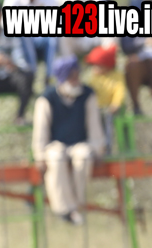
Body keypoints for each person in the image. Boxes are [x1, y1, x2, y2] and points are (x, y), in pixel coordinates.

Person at [32, 56, 104, 226]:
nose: (76, 80)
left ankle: (77, 204)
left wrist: (99, 149)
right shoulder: (47, 98)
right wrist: (39, 155)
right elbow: (41, 129)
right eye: (72, 76)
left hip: (80, 144)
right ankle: (64, 209)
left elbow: (94, 125)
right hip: (55, 145)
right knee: (56, 159)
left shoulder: (87, 95)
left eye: (77, 75)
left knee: (84, 157)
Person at [84, 44, 125, 151]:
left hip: (109, 109)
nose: (95, 68)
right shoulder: (92, 77)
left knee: (108, 125)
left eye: (98, 65)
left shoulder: (116, 76)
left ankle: (107, 149)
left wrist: (115, 104)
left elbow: (119, 91)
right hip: (94, 109)